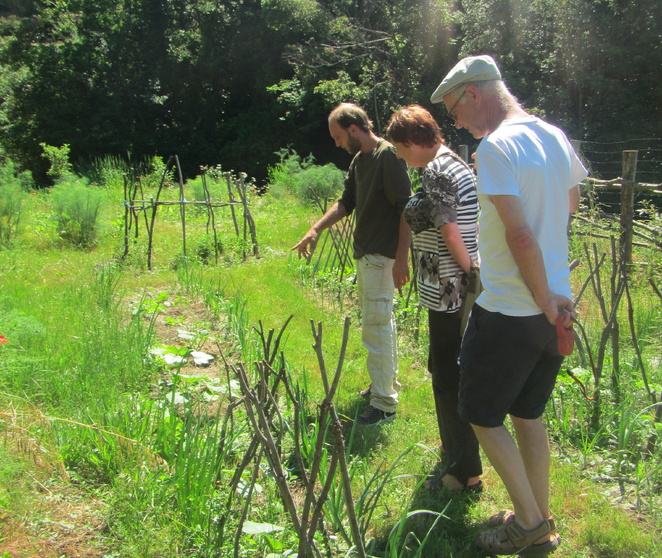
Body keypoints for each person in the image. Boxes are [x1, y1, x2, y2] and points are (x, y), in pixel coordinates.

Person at [430, 55, 587, 555]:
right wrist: (553, 298)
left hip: (514, 308)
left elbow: (519, 232)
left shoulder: (496, 147)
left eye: (454, 109)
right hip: (553, 308)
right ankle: (539, 516)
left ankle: (527, 523)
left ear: (474, 94)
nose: (455, 122)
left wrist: (541, 298)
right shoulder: (553, 134)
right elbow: (571, 203)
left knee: (478, 410)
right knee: (527, 413)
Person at [292, 103, 412, 425]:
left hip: (382, 257)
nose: (336, 143)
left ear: (354, 129)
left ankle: (384, 404)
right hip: (368, 255)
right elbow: (347, 201)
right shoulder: (360, 161)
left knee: (376, 328)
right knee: (380, 323)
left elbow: (407, 209)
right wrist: (315, 228)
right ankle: (385, 383)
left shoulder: (388, 156)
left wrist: (401, 259)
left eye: (338, 136)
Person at [385, 105, 482, 492]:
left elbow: (449, 227)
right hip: (447, 286)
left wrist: (469, 273)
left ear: (413, 141)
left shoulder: (438, 169)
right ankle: (456, 454)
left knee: (448, 375)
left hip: (449, 290)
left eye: (400, 148)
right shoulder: (451, 163)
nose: (398, 156)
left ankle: (463, 473)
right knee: (443, 369)